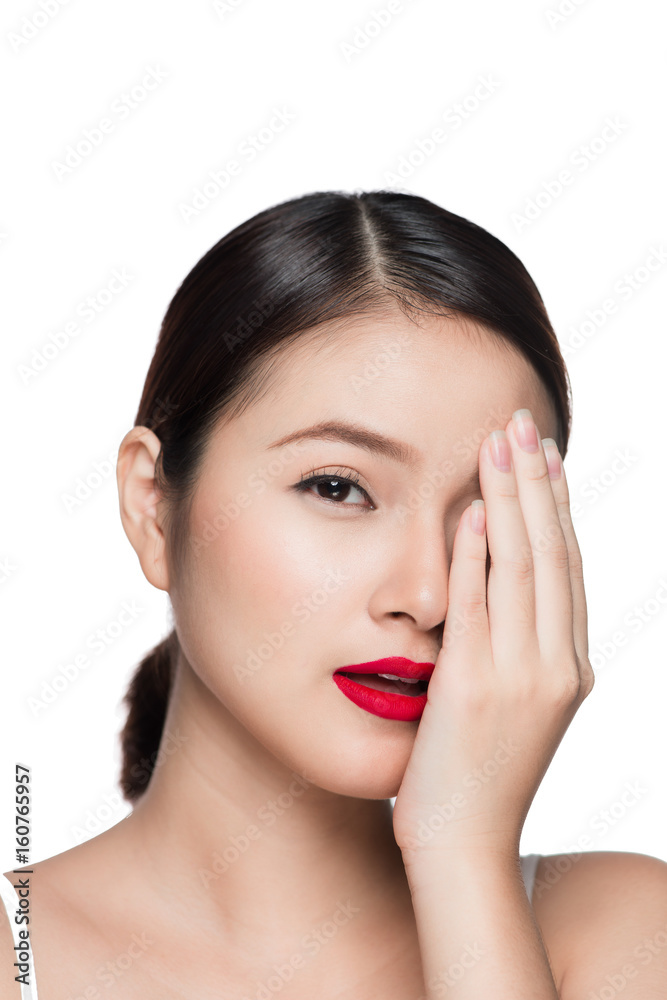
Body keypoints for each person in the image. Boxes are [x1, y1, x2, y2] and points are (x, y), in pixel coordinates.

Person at [2, 190, 666, 998]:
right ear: (152, 505)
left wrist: (462, 853)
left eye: (486, 515)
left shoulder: (619, 934)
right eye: (336, 486)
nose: (425, 595)